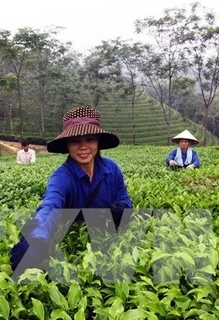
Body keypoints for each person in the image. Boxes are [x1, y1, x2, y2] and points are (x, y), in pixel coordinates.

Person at [10, 105, 133, 277]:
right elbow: (50, 206)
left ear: (98, 141)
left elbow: (125, 201)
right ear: (67, 145)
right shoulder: (62, 177)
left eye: (89, 139)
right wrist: (37, 238)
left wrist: (114, 212)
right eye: (76, 141)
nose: (83, 146)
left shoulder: (112, 170)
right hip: (72, 240)